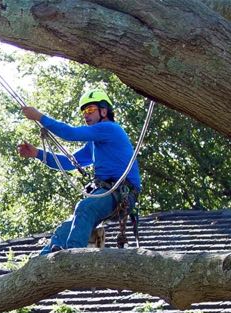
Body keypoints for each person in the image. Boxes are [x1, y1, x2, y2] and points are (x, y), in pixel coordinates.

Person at [18, 89, 141, 254]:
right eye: (84, 111)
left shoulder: (110, 129)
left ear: (104, 111)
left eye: (90, 110)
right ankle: (41, 263)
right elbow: (69, 163)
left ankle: (73, 256)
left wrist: (40, 117)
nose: (86, 115)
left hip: (121, 193)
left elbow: (71, 133)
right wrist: (38, 154)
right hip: (106, 193)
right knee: (66, 228)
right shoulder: (94, 143)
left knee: (85, 207)